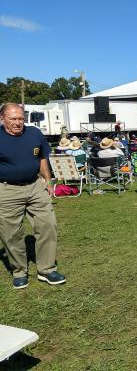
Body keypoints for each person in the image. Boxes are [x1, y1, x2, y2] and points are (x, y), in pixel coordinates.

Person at [0, 103, 66, 289]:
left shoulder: (34, 133)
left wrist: (48, 180)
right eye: (13, 119)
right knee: (10, 233)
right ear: (2, 118)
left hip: (36, 185)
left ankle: (47, 269)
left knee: (48, 225)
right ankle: (20, 271)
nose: (18, 122)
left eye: (21, 118)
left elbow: (42, 157)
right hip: (7, 190)